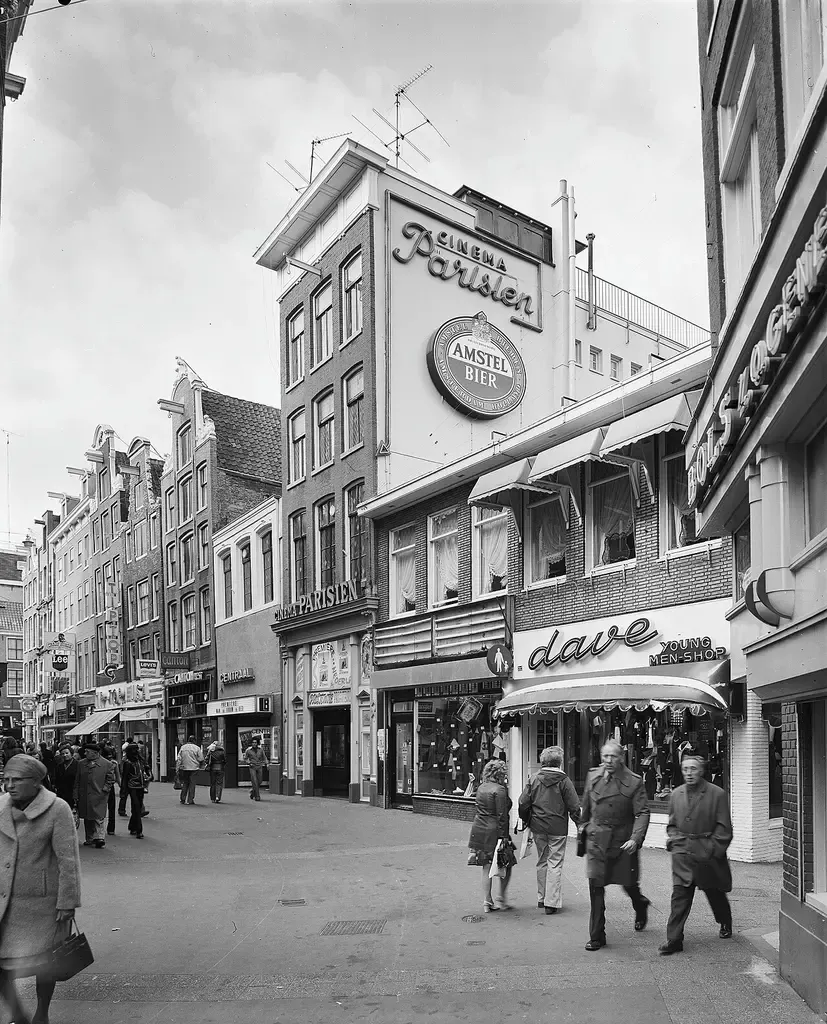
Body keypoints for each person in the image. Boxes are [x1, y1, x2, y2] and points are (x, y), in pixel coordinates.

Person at [0, 753, 81, 1024]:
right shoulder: (0, 807)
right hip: (4, 901)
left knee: (45, 962)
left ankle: (42, 1013)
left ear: (36, 782)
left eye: (17, 780)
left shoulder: (57, 809)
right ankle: (17, 1014)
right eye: (6, 779)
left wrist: (67, 901)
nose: (9, 785)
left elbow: (68, 859)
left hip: (42, 903)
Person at [579, 739, 651, 951]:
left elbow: (642, 812)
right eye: (605, 756)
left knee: (628, 884)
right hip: (597, 842)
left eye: (613, 756)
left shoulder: (633, 781)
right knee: (596, 887)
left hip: (622, 841)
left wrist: (635, 839)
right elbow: (586, 806)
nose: (608, 760)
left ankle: (640, 904)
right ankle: (596, 936)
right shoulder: (593, 775)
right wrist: (583, 827)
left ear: (621, 758)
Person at [659, 754, 733, 955]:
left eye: (693, 769)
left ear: (701, 771)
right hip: (682, 854)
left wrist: (712, 850)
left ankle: (725, 920)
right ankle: (674, 939)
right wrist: (675, 840)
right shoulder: (675, 794)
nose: (689, 773)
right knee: (680, 896)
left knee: (714, 892)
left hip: (706, 853)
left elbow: (724, 828)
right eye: (685, 769)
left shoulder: (717, 794)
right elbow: (672, 824)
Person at [518, 745, 580, 915]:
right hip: (558, 827)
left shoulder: (534, 779)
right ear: (559, 762)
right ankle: (551, 903)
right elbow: (574, 806)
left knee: (542, 861)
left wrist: (525, 819)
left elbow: (523, 802)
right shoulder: (564, 781)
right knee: (555, 864)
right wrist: (578, 823)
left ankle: (541, 897)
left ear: (543, 761)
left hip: (538, 827)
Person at [468, 759, 513, 913]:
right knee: (506, 864)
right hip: (495, 831)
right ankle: (501, 898)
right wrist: (504, 837)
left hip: (480, 829)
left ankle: (487, 901)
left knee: (486, 867)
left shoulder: (481, 788)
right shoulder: (500, 790)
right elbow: (502, 815)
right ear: (501, 774)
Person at [73, 741, 116, 849]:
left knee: (98, 816)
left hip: (99, 794)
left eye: (87, 752)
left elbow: (110, 779)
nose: (85, 754)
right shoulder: (81, 763)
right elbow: (77, 780)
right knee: (88, 817)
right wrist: (76, 794)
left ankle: (100, 837)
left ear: (95, 753)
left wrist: (105, 790)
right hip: (85, 795)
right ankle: (90, 838)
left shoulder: (107, 764)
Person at [121, 744, 146, 840]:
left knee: (138, 806)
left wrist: (148, 774)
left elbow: (145, 769)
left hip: (141, 786)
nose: (138, 751)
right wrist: (123, 790)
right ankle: (139, 830)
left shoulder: (140, 760)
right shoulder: (128, 762)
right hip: (132, 786)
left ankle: (132, 826)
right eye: (136, 749)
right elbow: (125, 777)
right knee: (136, 806)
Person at [100, 742, 121, 836]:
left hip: (100, 786)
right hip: (110, 787)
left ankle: (99, 828)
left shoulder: (101, 763)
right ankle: (111, 828)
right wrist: (121, 787)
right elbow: (118, 777)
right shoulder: (114, 763)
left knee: (100, 808)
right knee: (112, 808)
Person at [176, 736, 204, 805]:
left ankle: (182, 799)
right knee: (192, 784)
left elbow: (179, 758)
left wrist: (177, 768)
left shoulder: (183, 747)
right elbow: (201, 758)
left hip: (185, 768)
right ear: (194, 741)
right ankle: (190, 800)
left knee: (185, 783)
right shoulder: (197, 748)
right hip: (194, 768)